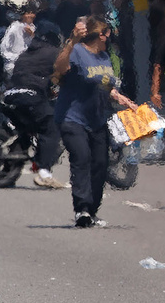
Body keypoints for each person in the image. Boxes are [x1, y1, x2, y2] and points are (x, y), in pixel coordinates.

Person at [54, 17, 138, 228]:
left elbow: (106, 86)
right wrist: (71, 41)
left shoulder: (104, 58)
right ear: (99, 34)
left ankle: (92, 210)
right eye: (106, 33)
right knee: (82, 158)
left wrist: (126, 102)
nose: (109, 38)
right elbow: (60, 68)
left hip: (97, 119)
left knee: (100, 164)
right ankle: (81, 209)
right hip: (72, 118)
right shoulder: (77, 51)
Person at [2, 20, 67, 188]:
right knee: (51, 126)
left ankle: (7, 171)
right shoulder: (53, 53)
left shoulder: (25, 53)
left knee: (24, 131)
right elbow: (65, 72)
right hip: (30, 96)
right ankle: (44, 172)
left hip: (11, 95)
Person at [0, 2, 37, 79]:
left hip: (28, 65)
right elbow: (3, 48)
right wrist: (17, 58)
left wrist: (32, 35)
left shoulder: (33, 28)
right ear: (23, 15)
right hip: (13, 65)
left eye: (32, 13)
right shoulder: (14, 27)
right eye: (28, 13)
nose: (30, 16)